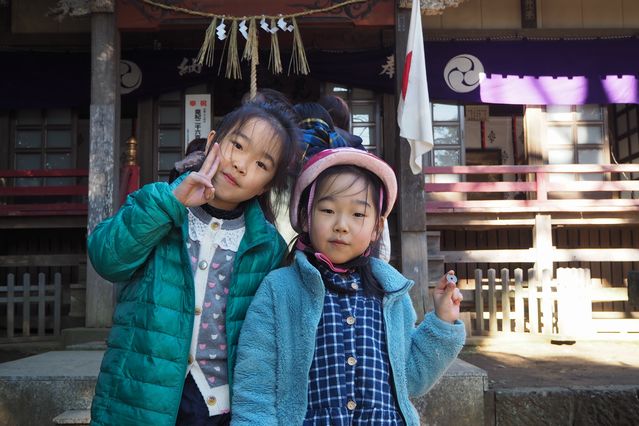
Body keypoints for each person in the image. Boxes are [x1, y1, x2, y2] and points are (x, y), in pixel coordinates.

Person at [87, 101, 300, 426]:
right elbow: (107, 260)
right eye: (237, 145)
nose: (241, 164)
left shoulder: (267, 247)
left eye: (261, 163)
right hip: (142, 394)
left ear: (267, 185)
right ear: (213, 141)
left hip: (220, 405)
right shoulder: (158, 205)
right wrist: (170, 204)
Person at [231, 148, 465, 425]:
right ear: (306, 217)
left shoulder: (390, 292)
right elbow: (255, 385)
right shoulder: (279, 290)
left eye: (358, 214)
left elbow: (412, 378)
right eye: (328, 210)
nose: (341, 225)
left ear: (377, 228)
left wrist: (442, 322)